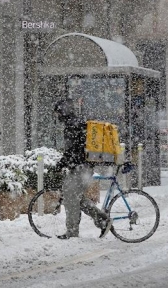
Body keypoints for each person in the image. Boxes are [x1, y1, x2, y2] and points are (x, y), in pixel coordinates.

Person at [53, 98, 112, 239]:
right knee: (76, 198)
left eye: (58, 113)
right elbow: (75, 150)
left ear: (63, 111)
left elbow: (72, 151)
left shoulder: (72, 125)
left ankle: (72, 232)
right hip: (84, 167)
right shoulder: (77, 123)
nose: (57, 116)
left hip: (81, 168)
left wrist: (61, 164)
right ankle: (102, 220)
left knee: (70, 197)